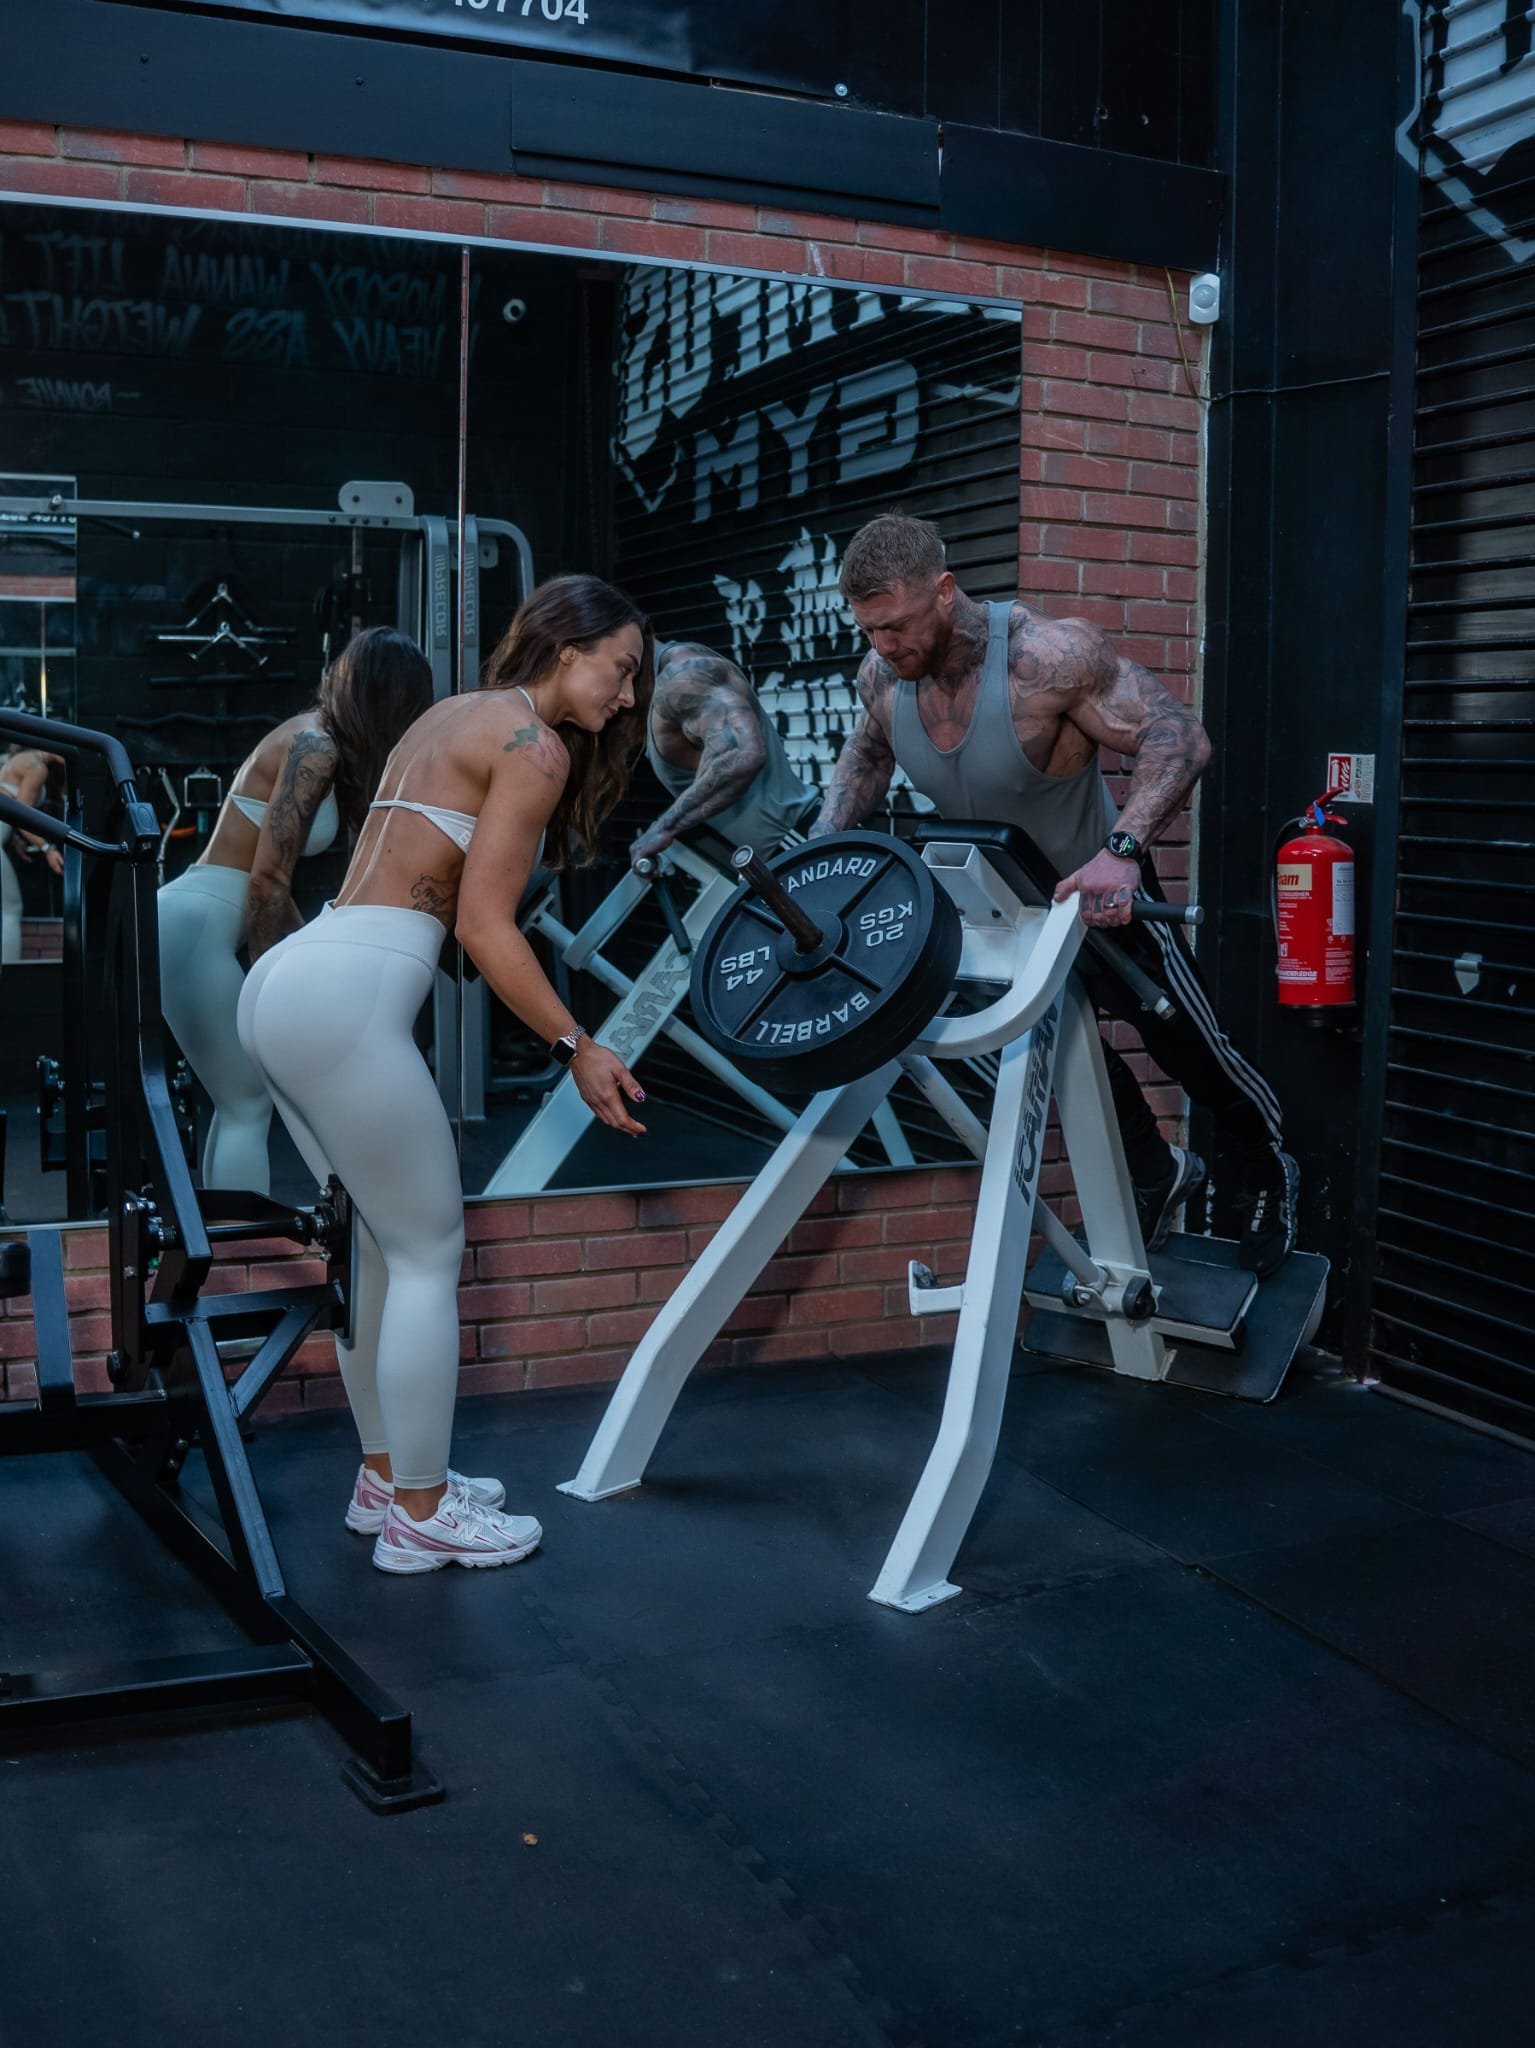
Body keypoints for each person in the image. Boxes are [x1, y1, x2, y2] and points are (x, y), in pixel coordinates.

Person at [237, 574, 652, 1574]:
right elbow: (482, 926)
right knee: (425, 1250)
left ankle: (389, 1475)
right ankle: (420, 1513)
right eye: (622, 668)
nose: (628, 696)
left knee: (377, 1247)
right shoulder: (532, 745)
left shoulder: (455, 713)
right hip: (349, 989)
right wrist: (577, 1044)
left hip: (291, 980)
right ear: (567, 645)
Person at [811, 513, 1297, 1277]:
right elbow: (868, 755)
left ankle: (1267, 1162)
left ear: (943, 592)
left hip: (1096, 899)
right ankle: (1154, 1167)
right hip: (1000, 913)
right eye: (869, 630)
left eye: (896, 626)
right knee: (1048, 1050)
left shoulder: (1047, 657)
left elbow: (1180, 736)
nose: (883, 646)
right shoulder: (883, 677)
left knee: (1189, 1052)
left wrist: (1122, 853)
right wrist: (819, 854)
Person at [157, 627, 433, 1195]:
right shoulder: (315, 745)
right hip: (194, 924)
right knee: (247, 1102)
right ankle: (243, 1257)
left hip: (200, 923)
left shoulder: (327, 743)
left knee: (239, 1102)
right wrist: (274, 976)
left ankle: (226, 1243)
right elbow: (267, 882)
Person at [629, 639, 815, 867]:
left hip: (796, 843)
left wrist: (664, 828)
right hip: (774, 858)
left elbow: (743, 754)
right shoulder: (654, 684)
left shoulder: (683, 674)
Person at [0, 747, 64, 963]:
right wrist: (47, 848)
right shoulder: (37, 767)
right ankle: (8, 979)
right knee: (10, 909)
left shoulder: (18, 759)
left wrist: (14, 839)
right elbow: (22, 816)